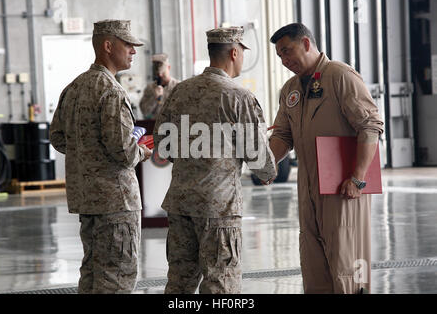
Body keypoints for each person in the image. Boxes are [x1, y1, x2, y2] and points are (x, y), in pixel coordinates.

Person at [153, 26, 277, 294]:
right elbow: (258, 157)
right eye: (242, 52)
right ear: (234, 52)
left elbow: (162, 144)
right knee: (220, 282)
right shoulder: (239, 97)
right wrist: (268, 171)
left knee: (179, 282)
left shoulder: (179, 91)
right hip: (218, 208)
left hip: (181, 203)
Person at [268, 23, 384, 294]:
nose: (285, 61)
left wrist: (358, 179)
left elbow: (370, 126)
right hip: (308, 191)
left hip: (344, 191)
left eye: (288, 52)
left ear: (307, 43)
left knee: (348, 265)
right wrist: (268, 164)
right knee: (314, 267)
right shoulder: (290, 90)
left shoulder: (340, 76)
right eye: (280, 56)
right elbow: (283, 135)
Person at [49, 19, 152, 294]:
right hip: (116, 203)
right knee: (117, 276)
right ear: (108, 46)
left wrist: (87, 153)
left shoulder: (73, 87)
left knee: (92, 274)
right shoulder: (112, 91)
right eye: (128, 45)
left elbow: (57, 138)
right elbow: (124, 152)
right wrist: (143, 150)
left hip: (87, 199)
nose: (133, 51)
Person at [139, 53, 179, 119]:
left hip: (174, 125)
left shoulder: (178, 87)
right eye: (158, 73)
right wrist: (155, 98)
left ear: (169, 67)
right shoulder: (150, 88)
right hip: (155, 126)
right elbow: (145, 112)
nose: (160, 76)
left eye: (163, 73)